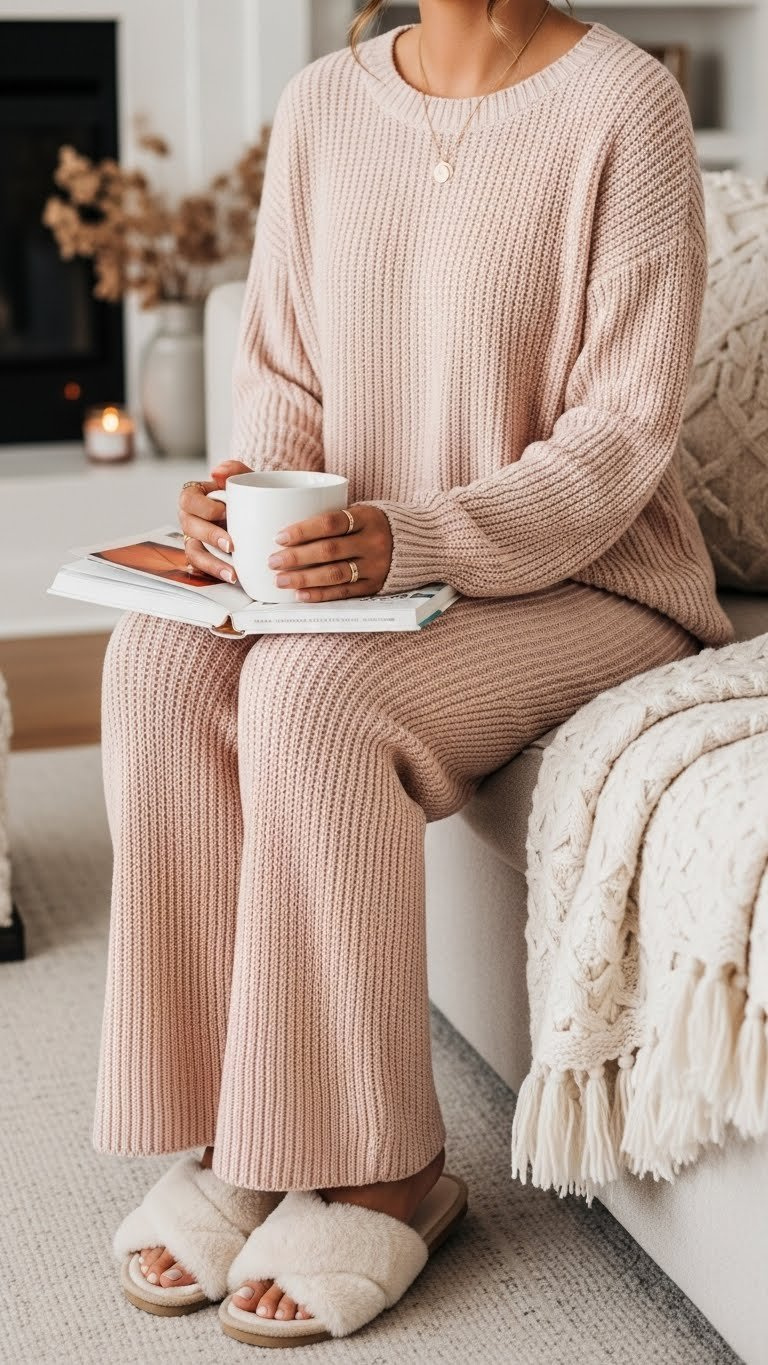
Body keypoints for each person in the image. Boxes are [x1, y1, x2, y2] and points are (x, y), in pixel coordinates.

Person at [93, 0, 735, 1342]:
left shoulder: (629, 105)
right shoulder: (327, 107)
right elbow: (282, 375)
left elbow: (618, 446)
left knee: (309, 696)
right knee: (158, 656)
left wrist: (415, 537)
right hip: (369, 574)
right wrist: (246, 499)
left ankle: (386, 1161)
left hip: (593, 582)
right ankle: (242, 1128)